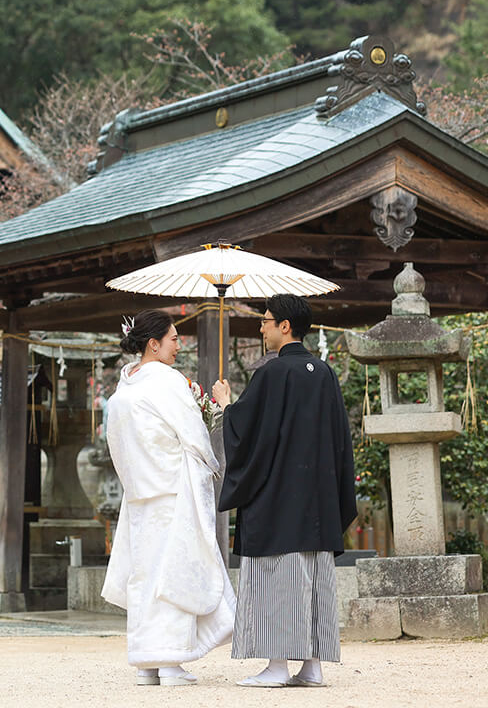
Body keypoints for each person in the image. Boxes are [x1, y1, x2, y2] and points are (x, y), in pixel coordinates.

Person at [212, 294, 357, 688]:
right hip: (318, 500)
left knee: (275, 580)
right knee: (313, 578)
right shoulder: (324, 373)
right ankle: (312, 665)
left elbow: (247, 435)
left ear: (285, 326)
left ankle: (277, 666)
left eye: (265, 321)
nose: (261, 328)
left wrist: (227, 404)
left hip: (277, 500)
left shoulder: (273, 375)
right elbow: (340, 441)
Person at [101, 309, 235, 687]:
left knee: (146, 575)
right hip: (173, 491)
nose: (180, 345)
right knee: (174, 572)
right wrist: (210, 461)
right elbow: (193, 438)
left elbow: (117, 447)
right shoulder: (167, 381)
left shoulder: (124, 388)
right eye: (174, 339)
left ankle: (147, 663)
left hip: (142, 494)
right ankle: (172, 662)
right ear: (153, 343)